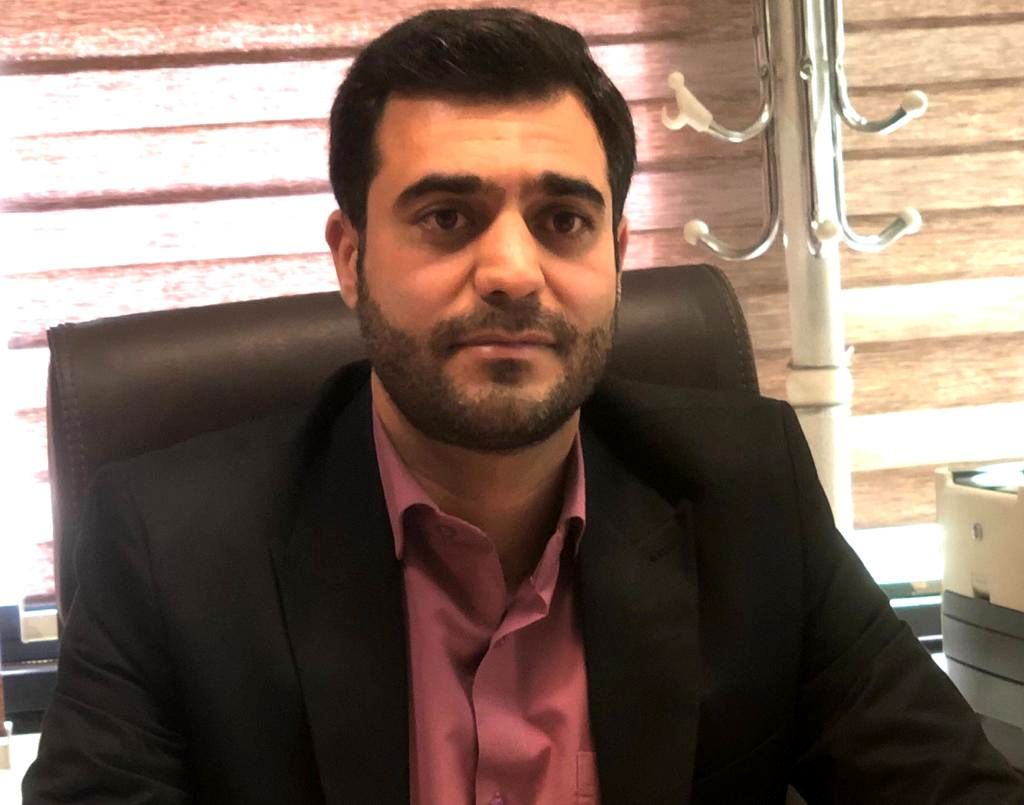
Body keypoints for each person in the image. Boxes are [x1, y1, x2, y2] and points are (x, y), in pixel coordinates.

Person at [23, 8, 1024, 804]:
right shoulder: (167, 546)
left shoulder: (746, 492)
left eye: (562, 220)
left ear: (617, 256)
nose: (511, 270)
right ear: (351, 257)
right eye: (446, 216)